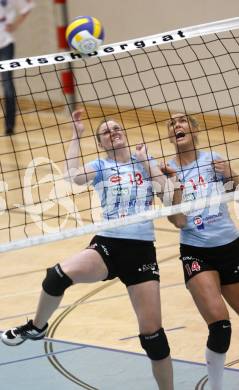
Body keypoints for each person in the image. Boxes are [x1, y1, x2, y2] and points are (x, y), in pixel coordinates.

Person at [1, 109, 185, 390]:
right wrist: (76, 135)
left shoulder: (144, 162)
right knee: (56, 276)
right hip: (108, 244)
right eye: (106, 132)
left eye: (116, 128)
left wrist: (149, 163)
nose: (113, 132)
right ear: (101, 143)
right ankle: (37, 327)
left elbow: (170, 197)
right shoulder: (100, 166)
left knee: (153, 337)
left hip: (141, 252)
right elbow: (72, 176)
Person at [165, 112, 239, 390]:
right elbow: (178, 221)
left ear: (194, 131)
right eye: (171, 124)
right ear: (170, 136)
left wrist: (230, 174)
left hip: (231, 246)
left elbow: (235, 189)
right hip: (197, 251)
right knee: (220, 326)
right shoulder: (167, 172)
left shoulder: (213, 159)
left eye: (182, 121)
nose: (176, 126)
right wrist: (174, 187)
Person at [0, 0, 34, 135]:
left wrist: (15, 25)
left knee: (7, 84)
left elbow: (27, 7)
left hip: (5, 44)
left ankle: (9, 126)